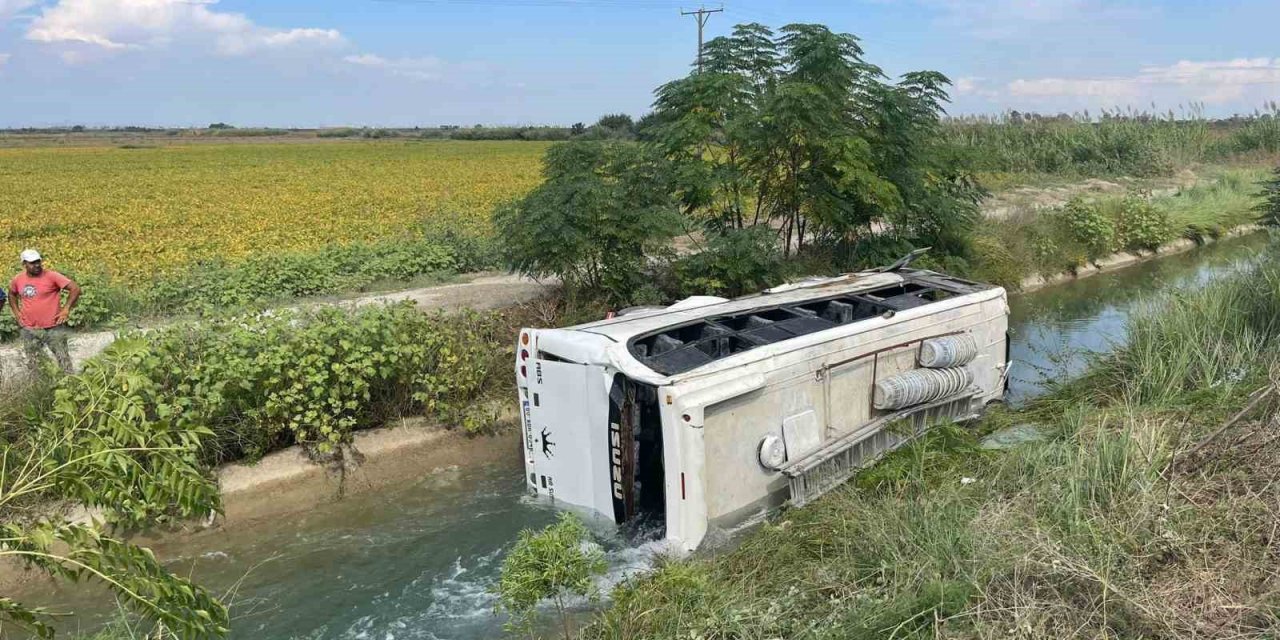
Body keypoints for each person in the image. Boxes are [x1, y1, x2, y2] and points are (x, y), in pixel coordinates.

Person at [8, 249, 79, 374]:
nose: (37, 265)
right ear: (24, 264)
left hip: (53, 326)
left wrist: (66, 309)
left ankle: (69, 380)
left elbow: (75, 289)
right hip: (29, 328)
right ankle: (39, 383)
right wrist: (17, 313)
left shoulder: (52, 276)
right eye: (32, 263)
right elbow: (12, 294)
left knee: (63, 358)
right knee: (34, 360)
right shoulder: (18, 279)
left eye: (38, 261)